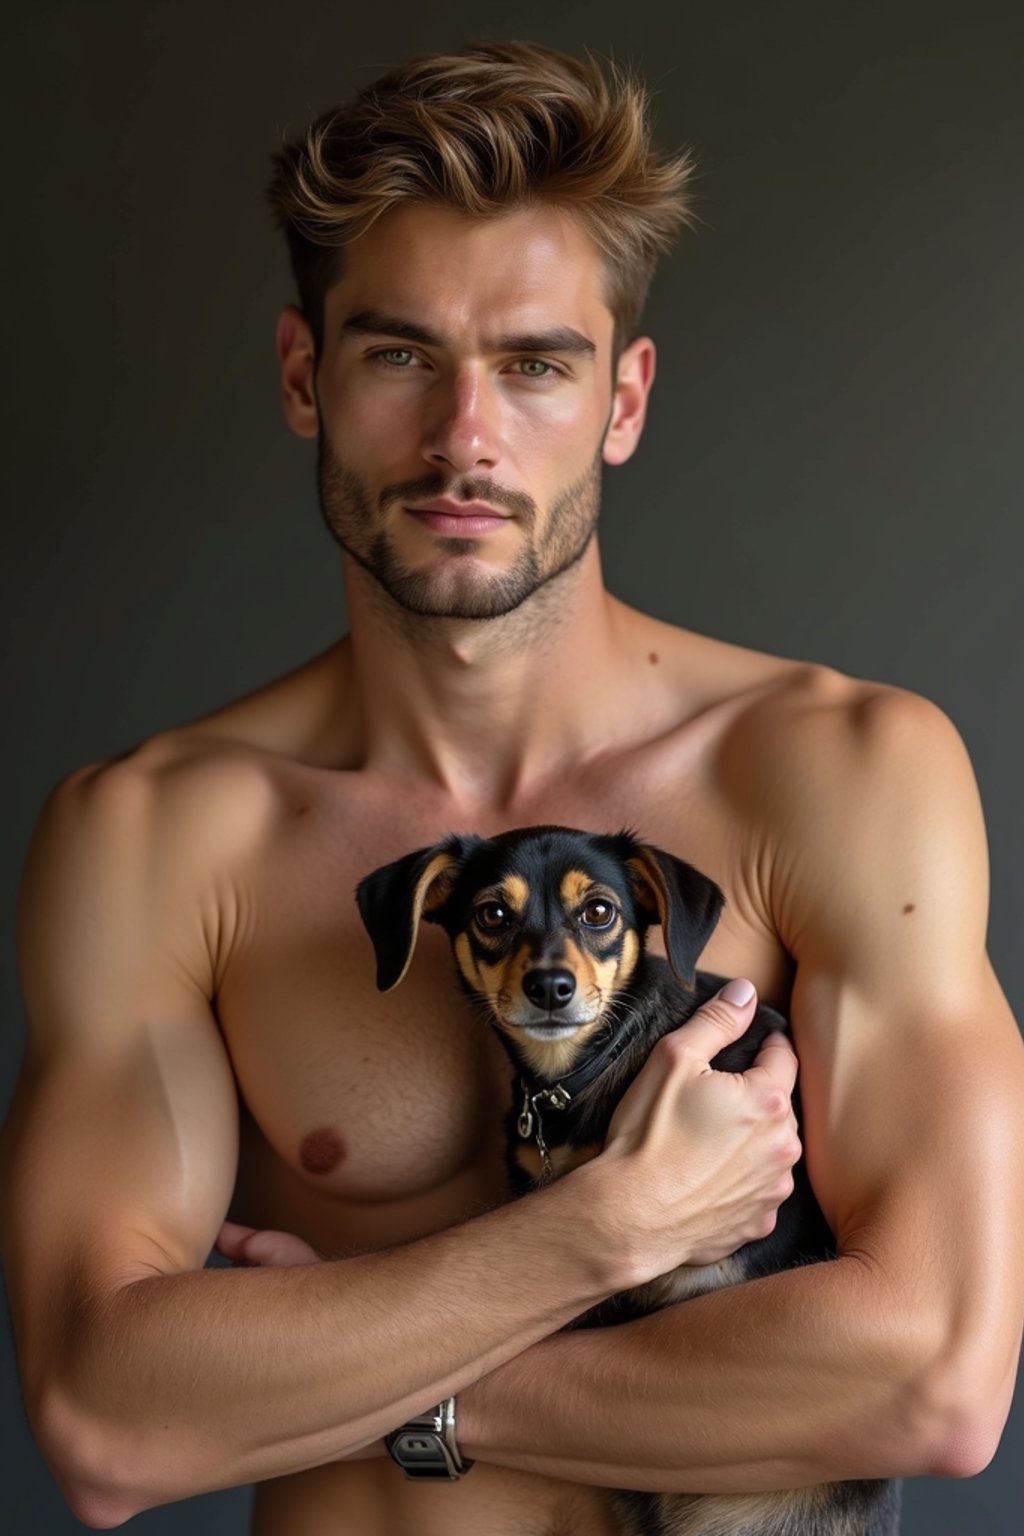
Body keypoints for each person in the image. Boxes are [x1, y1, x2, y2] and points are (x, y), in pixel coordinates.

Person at [2, 39, 1021, 1536]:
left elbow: (933, 1381)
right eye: (400, 355)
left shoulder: (841, 775)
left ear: (624, 398)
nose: (464, 438)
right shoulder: (159, 837)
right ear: (306, 378)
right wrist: (599, 1233)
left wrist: (402, 1385)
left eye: (535, 364)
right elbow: (106, 1422)